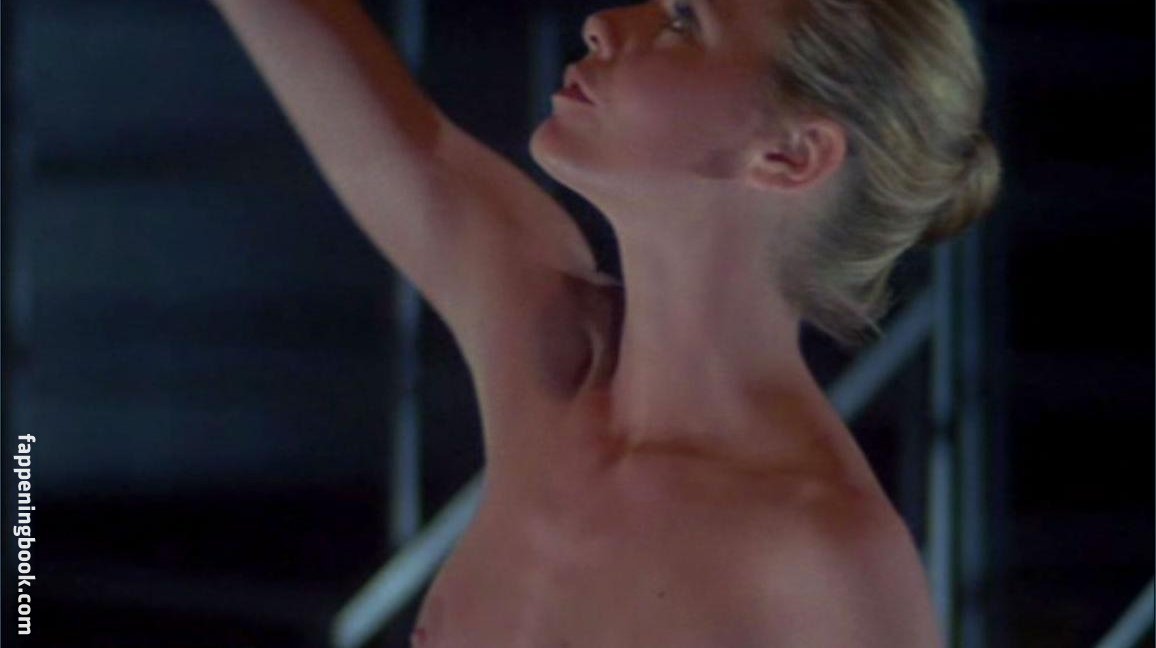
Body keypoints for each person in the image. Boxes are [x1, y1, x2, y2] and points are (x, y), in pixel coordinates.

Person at [212, 0, 1001, 644]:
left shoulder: (822, 555)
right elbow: (385, 129)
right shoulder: (541, 340)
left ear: (790, 155)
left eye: (684, 19)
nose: (602, 22)